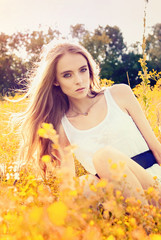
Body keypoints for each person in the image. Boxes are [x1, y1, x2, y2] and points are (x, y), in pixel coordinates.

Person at [15, 40, 161, 202]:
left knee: (104, 157)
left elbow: (156, 148)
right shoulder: (62, 127)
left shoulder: (120, 94)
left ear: (90, 70)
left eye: (83, 70)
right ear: (55, 80)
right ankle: (132, 222)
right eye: (67, 75)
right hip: (116, 198)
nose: (78, 80)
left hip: (153, 183)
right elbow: (68, 184)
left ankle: (148, 223)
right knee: (85, 184)